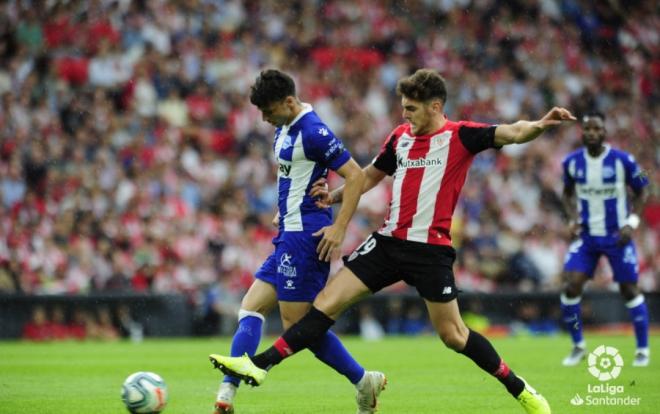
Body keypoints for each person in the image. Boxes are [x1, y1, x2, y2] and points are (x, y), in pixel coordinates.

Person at [210, 68, 576, 413]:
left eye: (412, 109)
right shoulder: (399, 138)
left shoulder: (460, 136)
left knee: (453, 335)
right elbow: (368, 176)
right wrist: (333, 197)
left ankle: (520, 389)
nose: (406, 116)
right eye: (403, 108)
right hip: (387, 243)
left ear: (436, 107)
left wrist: (541, 125)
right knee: (324, 304)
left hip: (430, 251)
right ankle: (258, 367)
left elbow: (512, 132)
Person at [210, 69, 385, 414]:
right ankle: (226, 394)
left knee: (298, 326)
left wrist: (339, 229)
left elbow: (356, 176)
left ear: (289, 101)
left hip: (306, 237)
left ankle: (362, 379)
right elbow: (295, 175)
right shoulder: (283, 127)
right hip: (288, 231)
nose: (264, 118)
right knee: (251, 307)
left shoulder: (314, 131)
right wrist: (285, 207)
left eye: (269, 111)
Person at [559, 112, 650, 367]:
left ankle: (642, 349)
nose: (591, 133)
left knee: (629, 289)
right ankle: (578, 345)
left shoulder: (625, 160)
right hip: (588, 236)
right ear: (582, 133)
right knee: (571, 286)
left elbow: (645, 187)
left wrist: (631, 222)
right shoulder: (571, 163)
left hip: (616, 237)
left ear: (604, 132)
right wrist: (571, 219)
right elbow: (566, 194)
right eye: (587, 129)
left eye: (596, 129)